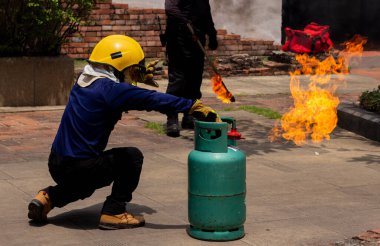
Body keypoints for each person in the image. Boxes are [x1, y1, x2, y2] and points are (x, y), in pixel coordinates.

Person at [27, 35, 220, 230]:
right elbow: (152, 99)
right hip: (80, 168)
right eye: (132, 70)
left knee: (85, 186)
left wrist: (136, 77)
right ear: (119, 65)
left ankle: (47, 198)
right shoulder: (111, 90)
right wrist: (192, 105)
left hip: (57, 163)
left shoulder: (85, 79)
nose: (132, 75)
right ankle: (114, 212)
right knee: (131, 158)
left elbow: (121, 91)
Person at [164, 0, 218, 137]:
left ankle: (189, 116)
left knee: (194, 80)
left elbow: (206, 14)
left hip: (196, 41)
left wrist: (212, 35)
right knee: (178, 80)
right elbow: (171, 9)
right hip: (178, 40)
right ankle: (172, 119)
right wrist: (187, 23)